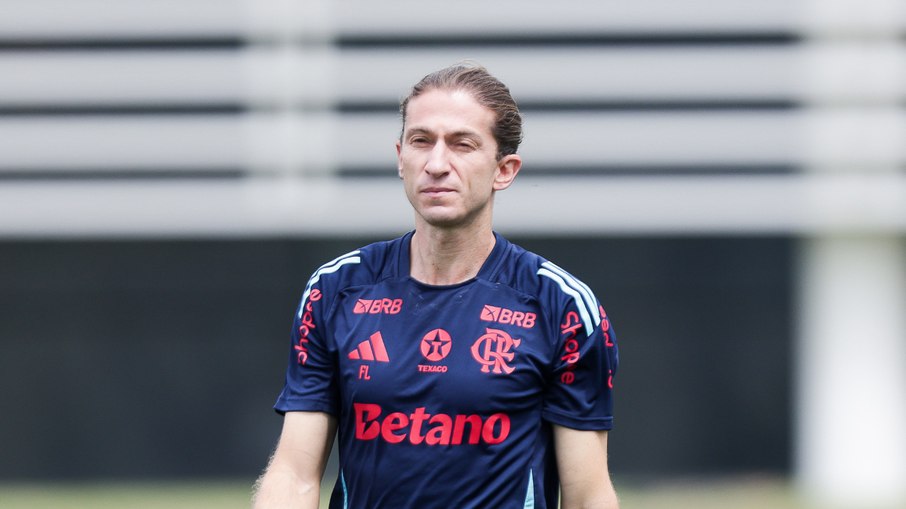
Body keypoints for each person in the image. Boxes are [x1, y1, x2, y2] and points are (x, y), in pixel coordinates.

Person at [253, 62, 620, 509]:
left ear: (504, 170)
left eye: (462, 145)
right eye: (421, 141)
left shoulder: (560, 306)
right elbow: (294, 476)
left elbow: (586, 497)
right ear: (400, 157)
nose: (437, 163)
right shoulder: (335, 289)